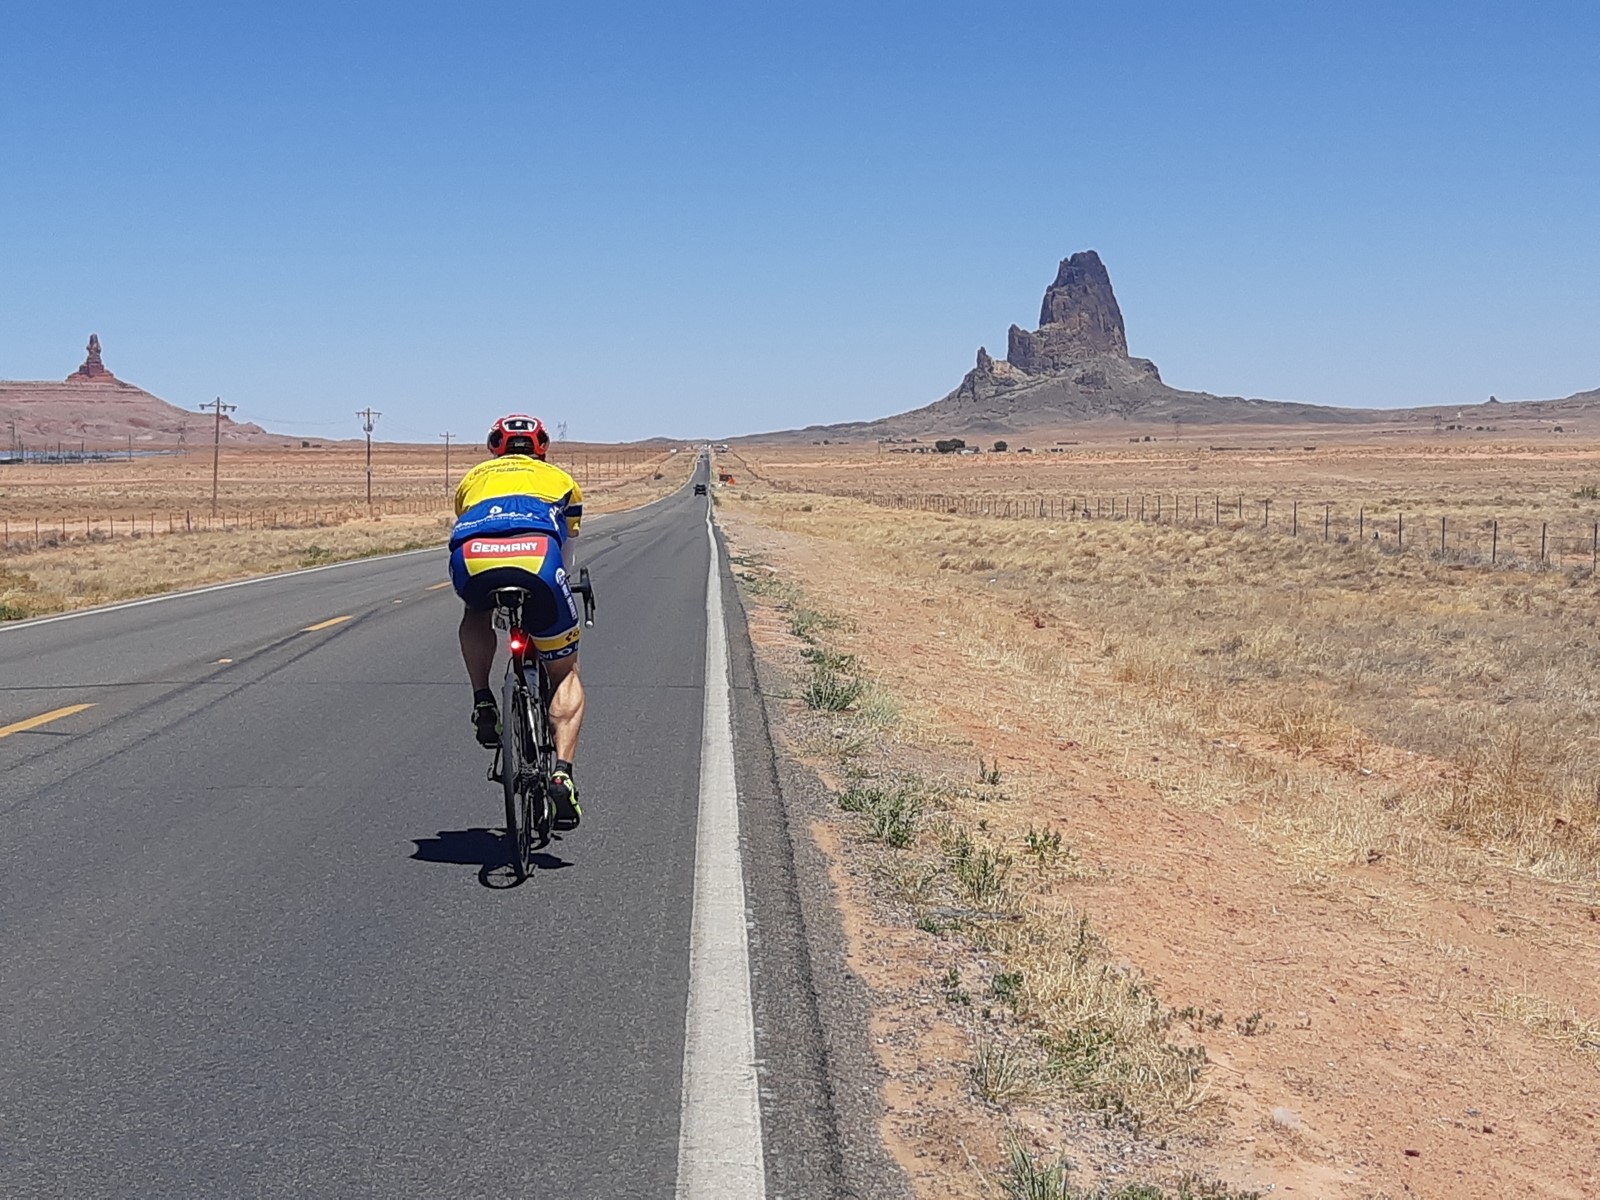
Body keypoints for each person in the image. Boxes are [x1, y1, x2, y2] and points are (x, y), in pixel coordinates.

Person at [448, 414, 585, 821]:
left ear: (495, 447)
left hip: (473, 559)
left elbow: (465, 522)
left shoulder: (472, 478)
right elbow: (568, 548)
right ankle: (562, 773)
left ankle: (483, 700)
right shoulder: (561, 480)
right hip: (538, 559)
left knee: (475, 611)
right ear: (541, 447)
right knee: (564, 672)